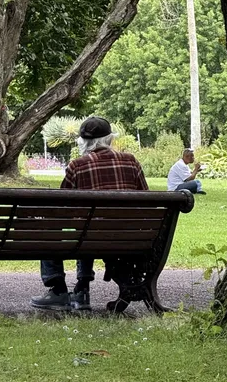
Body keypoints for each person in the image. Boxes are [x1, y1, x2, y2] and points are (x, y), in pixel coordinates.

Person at [30, 116, 148, 313]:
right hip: (130, 238)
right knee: (89, 227)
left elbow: (61, 209)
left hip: (89, 237)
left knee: (63, 227)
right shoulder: (131, 162)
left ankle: (59, 290)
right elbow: (145, 198)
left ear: (84, 142)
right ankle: (81, 288)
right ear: (110, 139)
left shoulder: (78, 165)